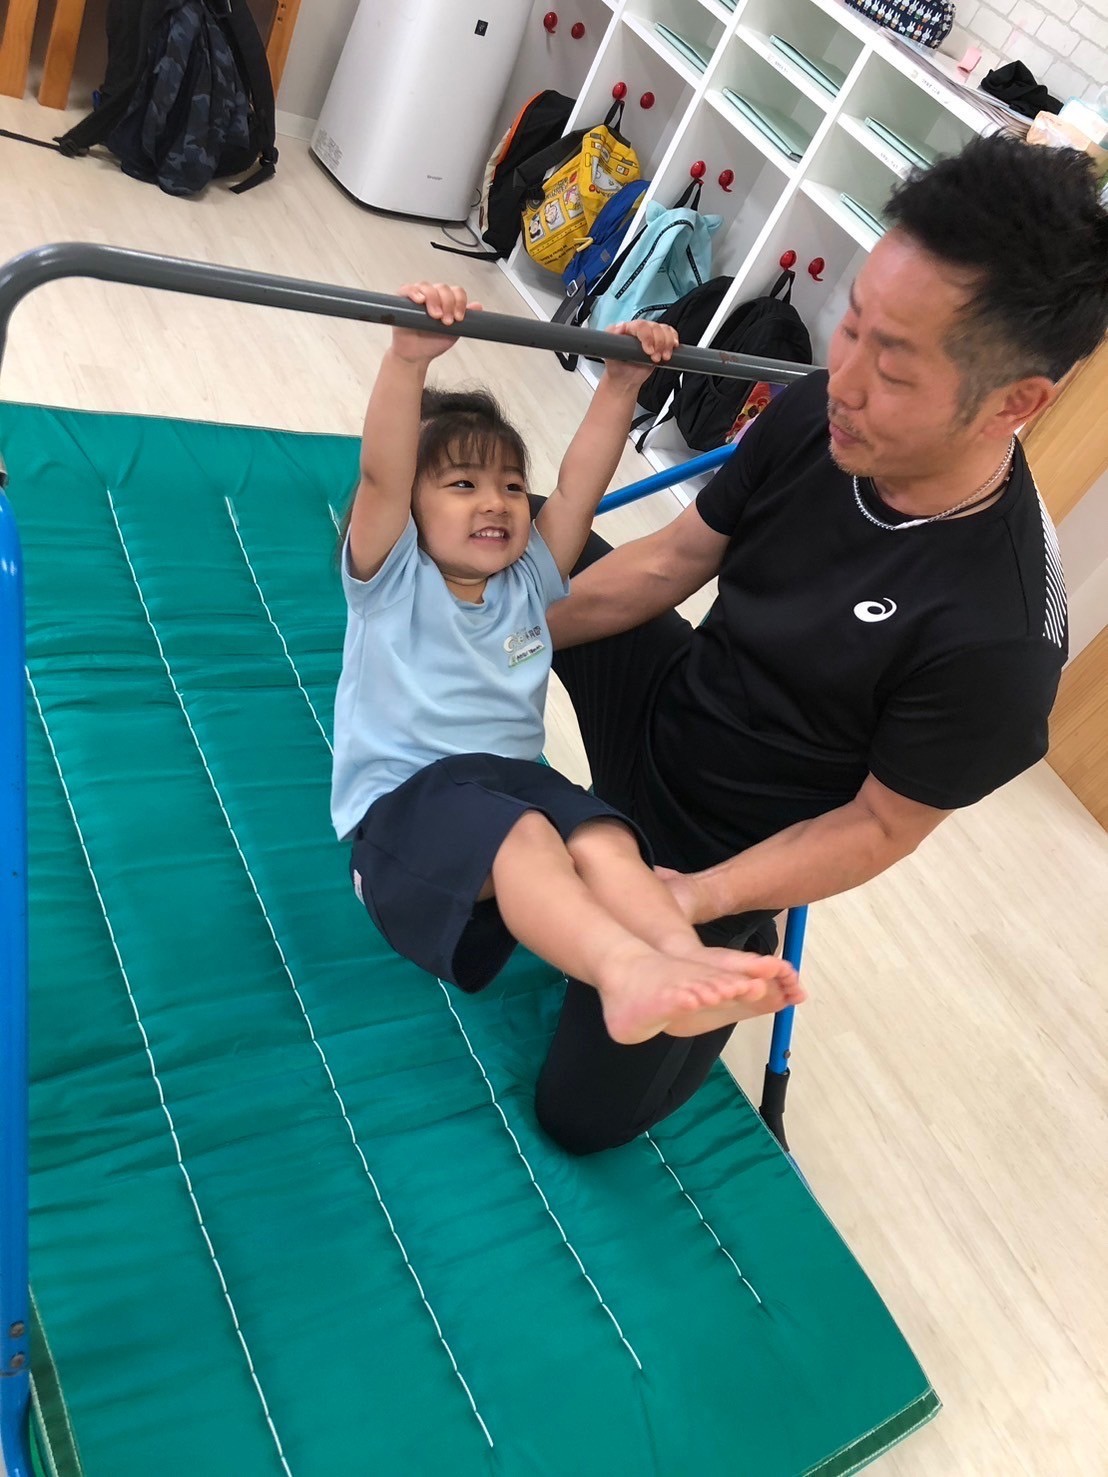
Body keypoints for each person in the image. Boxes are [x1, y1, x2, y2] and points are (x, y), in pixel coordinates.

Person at [534, 133, 1108, 1153]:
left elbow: (879, 827)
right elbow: (674, 562)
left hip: (728, 852)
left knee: (578, 1118)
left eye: (893, 365)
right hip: (672, 697)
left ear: (1017, 403)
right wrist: (498, 632)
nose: (843, 378)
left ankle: (716, 944)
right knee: (472, 540)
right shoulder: (820, 412)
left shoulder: (1002, 637)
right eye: (851, 324)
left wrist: (695, 897)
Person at [331, 283, 803, 1051]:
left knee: (601, 833)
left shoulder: (528, 580)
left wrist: (621, 385)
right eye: (462, 484)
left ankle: (678, 956)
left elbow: (580, 484)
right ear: (410, 514)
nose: (496, 502)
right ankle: (625, 972)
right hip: (404, 812)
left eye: (511, 485)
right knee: (524, 830)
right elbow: (383, 476)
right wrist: (407, 361)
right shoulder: (393, 581)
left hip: (507, 785)